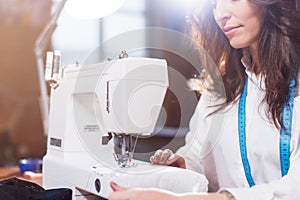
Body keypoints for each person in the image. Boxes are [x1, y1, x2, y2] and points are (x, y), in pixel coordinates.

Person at [108, 0, 300, 199]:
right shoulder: (220, 87)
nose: (220, 14)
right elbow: (197, 155)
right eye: (214, 3)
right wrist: (184, 169)